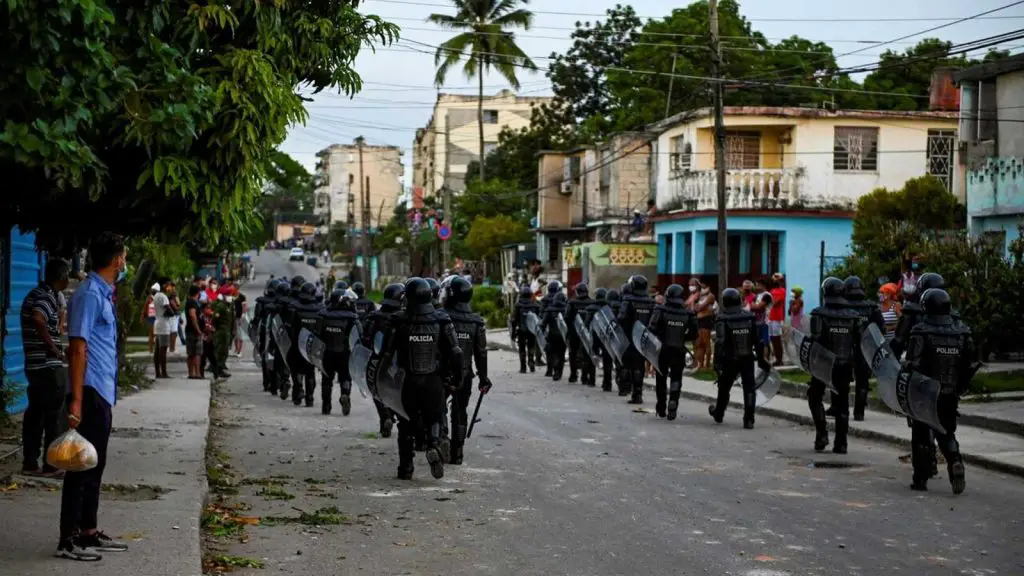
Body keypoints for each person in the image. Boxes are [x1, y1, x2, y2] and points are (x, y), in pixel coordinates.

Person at [60, 232, 130, 561]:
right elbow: (77, 348)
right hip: (87, 390)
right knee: (80, 466)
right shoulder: (88, 295)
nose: (125, 261)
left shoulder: (103, 294)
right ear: (117, 259)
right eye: (124, 256)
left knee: (94, 464)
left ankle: (88, 531)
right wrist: (75, 400)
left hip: (101, 390)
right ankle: (68, 540)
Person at [379, 278, 463, 480]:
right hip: (433, 380)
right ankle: (433, 444)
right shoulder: (442, 319)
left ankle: (406, 468)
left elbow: (386, 353)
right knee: (434, 417)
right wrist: (458, 378)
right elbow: (457, 352)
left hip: (406, 381)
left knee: (405, 424)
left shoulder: (397, 320)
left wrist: (381, 380)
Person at [905, 288, 977, 494]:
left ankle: (921, 478)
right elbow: (968, 364)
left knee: (920, 433)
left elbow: (914, 363)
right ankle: (955, 460)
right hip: (949, 392)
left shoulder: (921, 330)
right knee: (946, 431)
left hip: (924, 392)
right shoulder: (962, 331)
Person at [20, 257, 71, 478]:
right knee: (54, 416)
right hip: (48, 365)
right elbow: (38, 319)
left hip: (34, 365)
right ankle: (52, 465)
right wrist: (53, 348)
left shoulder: (34, 294)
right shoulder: (46, 297)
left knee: (35, 414)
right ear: (61, 277)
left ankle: (30, 463)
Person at [807, 277, 860, 454]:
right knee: (842, 403)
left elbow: (815, 340)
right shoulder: (854, 317)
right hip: (845, 365)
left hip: (823, 364)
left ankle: (822, 434)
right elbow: (859, 343)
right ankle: (841, 443)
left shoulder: (819, 314)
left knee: (814, 397)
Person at [442, 277, 491, 465]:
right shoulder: (476, 322)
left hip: (443, 373)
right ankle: (458, 452)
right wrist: (484, 377)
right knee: (460, 411)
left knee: (439, 409)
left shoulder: (441, 317)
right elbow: (481, 353)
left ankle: (441, 441)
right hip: (465, 374)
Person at [709, 287, 769, 429]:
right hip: (747, 357)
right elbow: (758, 341)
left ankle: (719, 413)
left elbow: (720, 342)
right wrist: (761, 359)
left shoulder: (722, 318)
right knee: (749, 388)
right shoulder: (749, 316)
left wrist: (717, 362)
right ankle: (749, 419)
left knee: (724, 387)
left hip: (730, 359)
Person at [361, 283, 405, 438]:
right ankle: (398, 418)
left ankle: (385, 417)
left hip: (376, 361)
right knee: (397, 393)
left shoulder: (373, 317)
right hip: (398, 364)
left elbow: (364, 340)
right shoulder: (404, 319)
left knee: (377, 391)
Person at [648, 284, 697, 420]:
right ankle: (673, 403)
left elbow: (651, 328)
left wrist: (661, 334)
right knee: (676, 377)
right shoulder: (689, 313)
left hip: (662, 349)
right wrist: (682, 337)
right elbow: (694, 334)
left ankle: (661, 406)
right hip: (679, 349)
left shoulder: (660, 310)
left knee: (661, 377)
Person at [842, 276, 884, 421]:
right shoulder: (871, 307)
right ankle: (859, 413)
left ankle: (842, 410)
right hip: (866, 348)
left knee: (842, 379)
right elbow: (881, 328)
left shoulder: (843, 306)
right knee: (863, 379)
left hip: (846, 348)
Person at [319, 288, 360, 416]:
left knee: (327, 379)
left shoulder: (323, 315)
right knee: (345, 377)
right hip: (345, 353)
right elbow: (360, 336)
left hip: (327, 353)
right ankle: (345, 394)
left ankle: (326, 406)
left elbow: (317, 334)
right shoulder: (352, 318)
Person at [617, 275, 655, 405]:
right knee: (639, 365)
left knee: (626, 363)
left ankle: (624, 388)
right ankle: (638, 393)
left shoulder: (628, 300)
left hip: (628, 337)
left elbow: (621, 318)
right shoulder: (651, 302)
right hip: (643, 338)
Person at [290, 282, 323, 407]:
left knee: (296, 370)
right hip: (312, 346)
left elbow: (291, 327)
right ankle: (309, 398)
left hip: (296, 345)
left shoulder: (295, 308)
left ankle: (298, 391)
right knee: (310, 372)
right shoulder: (319, 309)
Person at [566, 282, 593, 385]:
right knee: (587, 353)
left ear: (577, 292)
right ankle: (584, 376)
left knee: (572, 353)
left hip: (574, 332)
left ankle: (573, 375)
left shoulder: (572, 302)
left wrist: (570, 328)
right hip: (587, 332)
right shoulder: (592, 302)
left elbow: (566, 317)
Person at [586, 288, 614, 391]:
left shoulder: (591, 308)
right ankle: (607, 383)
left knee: (593, 357)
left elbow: (587, 322)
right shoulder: (610, 307)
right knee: (608, 360)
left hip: (595, 336)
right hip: (606, 337)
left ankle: (591, 380)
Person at [510, 286, 539, 373]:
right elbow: (538, 319)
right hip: (532, 330)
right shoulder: (535, 305)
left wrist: (513, 332)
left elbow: (514, 320)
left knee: (522, 349)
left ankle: (523, 367)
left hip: (521, 330)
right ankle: (531, 363)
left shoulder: (518, 305)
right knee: (531, 347)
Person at [541, 292, 569, 381]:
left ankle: (553, 369)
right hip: (563, 336)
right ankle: (558, 372)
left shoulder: (549, 310)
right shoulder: (566, 310)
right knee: (561, 354)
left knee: (551, 353)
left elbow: (543, 324)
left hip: (552, 336)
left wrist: (541, 334)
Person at [539, 281, 561, 376]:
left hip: (549, 327)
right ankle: (557, 369)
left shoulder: (544, 299)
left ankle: (549, 370)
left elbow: (541, 312)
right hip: (560, 329)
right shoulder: (562, 299)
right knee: (559, 350)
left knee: (549, 349)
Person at [211, 293, 234, 381]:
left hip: (227, 331)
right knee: (219, 350)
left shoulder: (230, 306)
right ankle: (217, 370)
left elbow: (232, 319)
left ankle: (220, 369)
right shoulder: (221, 306)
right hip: (221, 331)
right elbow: (214, 319)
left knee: (225, 351)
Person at [151, 282, 172, 378]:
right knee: (163, 349)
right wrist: (172, 312)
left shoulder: (155, 296)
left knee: (157, 350)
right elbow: (168, 309)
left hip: (157, 322)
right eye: (169, 286)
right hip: (164, 324)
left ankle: (157, 372)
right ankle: (164, 372)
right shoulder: (163, 297)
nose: (170, 288)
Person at [694, 282, 716, 371]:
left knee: (706, 343)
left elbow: (700, 307)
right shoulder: (699, 297)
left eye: (703, 286)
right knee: (699, 343)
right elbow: (695, 308)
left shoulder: (710, 296)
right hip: (699, 320)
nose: (701, 288)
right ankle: (700, 364)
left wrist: (699, 307)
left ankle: (707, 365)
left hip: (706, 320)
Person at [185, 285, 203, 379]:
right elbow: (193, 316)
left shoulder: (191, 302)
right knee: (196, 353)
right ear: (197, 293)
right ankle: (197, 373)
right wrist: (198, 329)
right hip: (193, 331)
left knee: (191, 353)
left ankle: (191, 373)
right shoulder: (192, 302)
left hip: (191, 330)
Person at [768, 274, 787, 366]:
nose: (775, 281)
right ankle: (776, 358)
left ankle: (780, 359)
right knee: (772, 338)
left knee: (777, 338)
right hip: (770, 317)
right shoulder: (772, 291)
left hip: (777, 317)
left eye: (777, 280)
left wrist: (769, 302)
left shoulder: (782, 290)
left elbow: (775, 303)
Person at [141, 283, 158, 354]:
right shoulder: (149, 298)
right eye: (153, 290)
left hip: (157, 318)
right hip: (150, 318)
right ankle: (151, 350)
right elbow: (145, 308)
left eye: (155, 290)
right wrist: (142, 317)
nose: (153, 291)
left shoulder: (158, 298)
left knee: (156, 334)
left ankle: (156, 349)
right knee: (151, 334)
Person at [233, 287, 247, 357]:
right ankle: (236, 349)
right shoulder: (232, 296)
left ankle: (240, 351)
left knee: (240, 335)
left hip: (240, 318)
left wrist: (242, 318)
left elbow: (244, 308)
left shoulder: (242, 297)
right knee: (235, 335)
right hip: (233, 318)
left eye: (235, 289)